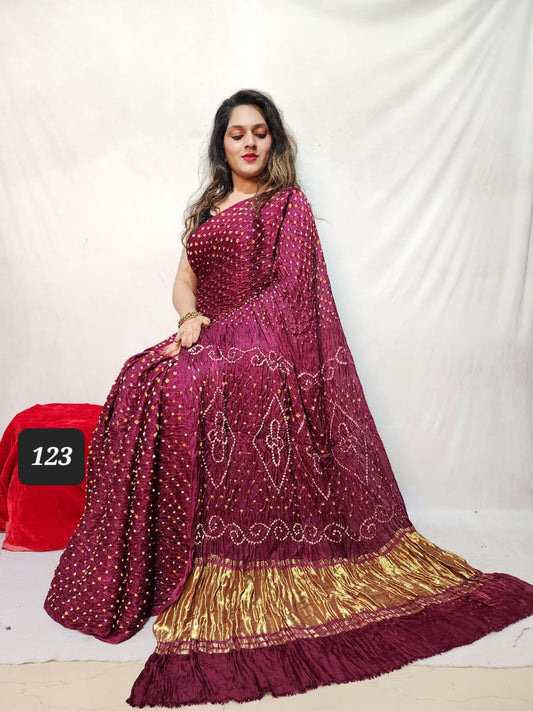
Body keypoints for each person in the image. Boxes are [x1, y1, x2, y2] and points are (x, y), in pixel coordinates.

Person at [44, 89, 533, 708]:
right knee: (141, 376)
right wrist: (191, 318)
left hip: (263, 342)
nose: (249, 142)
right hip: (208, 332)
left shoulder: (286, 205)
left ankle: (205, 555)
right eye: (236, 134)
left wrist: (223, 337)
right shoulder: (207, 209)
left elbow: (289, 292)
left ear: (273, 140)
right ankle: (148, 558)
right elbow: (184, 281)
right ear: (221, 145)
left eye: (260, 132)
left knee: (184, 381)